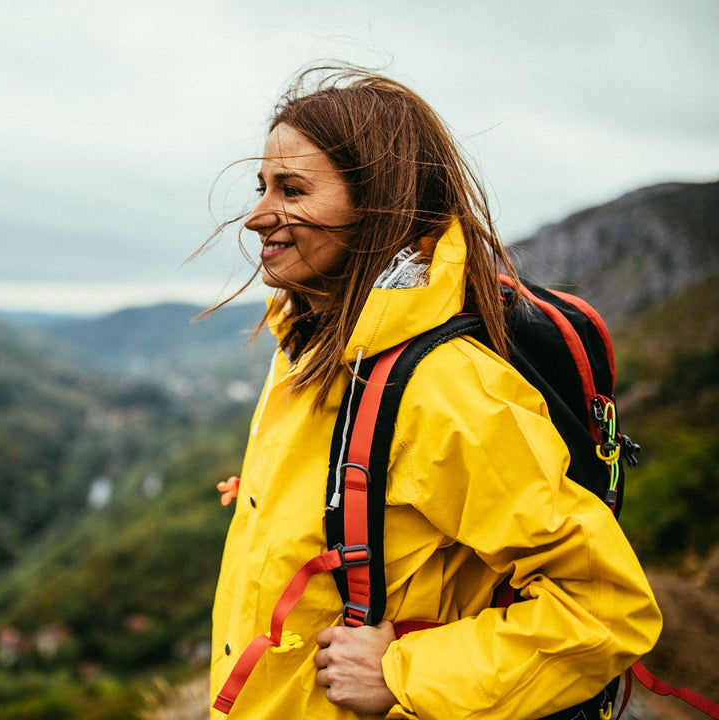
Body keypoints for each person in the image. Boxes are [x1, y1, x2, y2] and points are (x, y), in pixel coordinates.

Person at [207, 65, 662, 719]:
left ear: (376, 202)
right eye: (262, 187)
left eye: (293, 189)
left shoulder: (444, 388)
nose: (256, 217)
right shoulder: (311, 343)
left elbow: (602, 611)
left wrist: (403, 674)